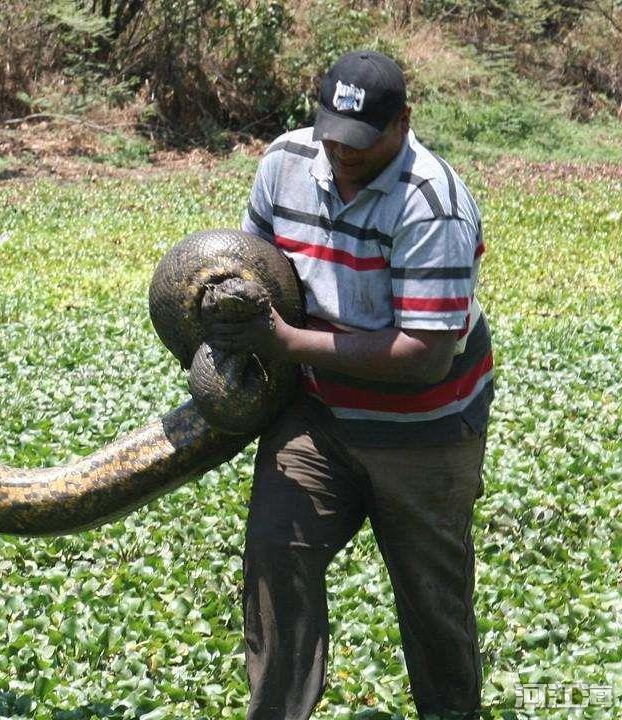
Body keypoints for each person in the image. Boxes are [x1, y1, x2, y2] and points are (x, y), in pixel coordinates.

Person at [212, 50, 494, 719]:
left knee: (433, 604)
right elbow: (257, 267)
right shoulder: (284, 163)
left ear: (402, 124)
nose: (342, 153)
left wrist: (287, 343)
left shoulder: (434, 204)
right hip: (317, 415)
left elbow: (424, 353)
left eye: (361, 143)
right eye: (332, 134)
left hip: (424, 431)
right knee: (276, 562)